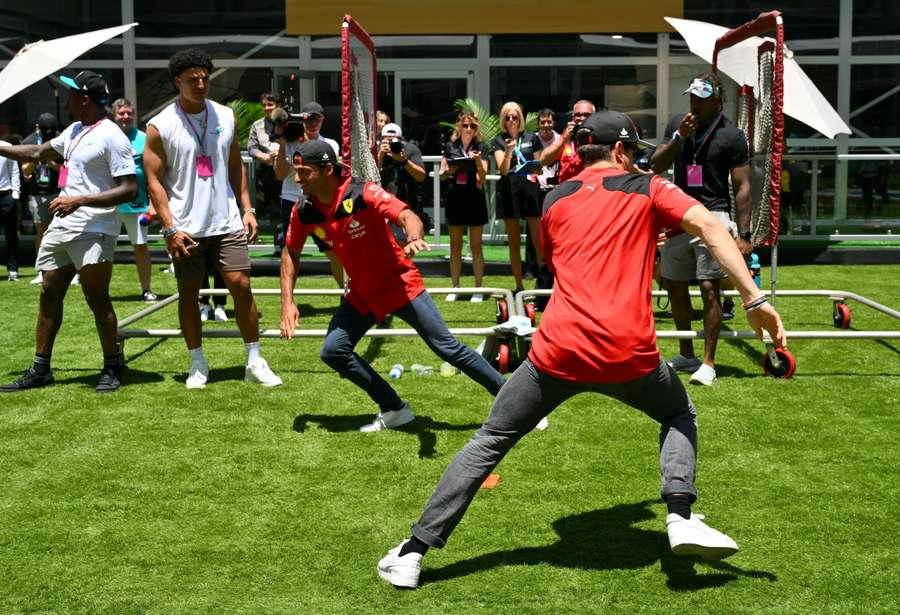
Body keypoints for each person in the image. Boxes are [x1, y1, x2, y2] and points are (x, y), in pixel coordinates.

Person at [377, 110, 788, 589]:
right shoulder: (648, 187)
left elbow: (562, 254)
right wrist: (754, 299)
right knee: (678, 415)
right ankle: (680, 515)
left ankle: (413, 552)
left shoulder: (554, 198)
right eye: (634, 152)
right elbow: (711, 228)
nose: (638, 161)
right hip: (628, 352)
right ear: (619, 151)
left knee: (489, 441)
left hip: (557, 352)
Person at [279, 140, 506, 432]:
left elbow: (406, 215)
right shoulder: (304, 210)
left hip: (400, 284)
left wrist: (413, 236)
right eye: (296, 171)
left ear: (327, 170)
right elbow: (290, 252)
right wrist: (287, 301)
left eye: (304, 172)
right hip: (362, 293)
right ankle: (394, 408)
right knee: (333, 351)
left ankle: (515, 403)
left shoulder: (363, 192)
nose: (296, 179)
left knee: (447, 348)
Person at [144, 48, 282, 390]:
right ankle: (197, 363)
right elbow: (153, 181)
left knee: (241, 285)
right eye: (193, 79)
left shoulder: (224, 116)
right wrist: (170, 227)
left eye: (205, 78)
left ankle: (254, 360)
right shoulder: (160, 125)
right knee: (189, 292)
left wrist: (247, 208)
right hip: (185, 227)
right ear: (178, 81)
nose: (201, 84)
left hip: (227, 221)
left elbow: (235, 165)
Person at [0, 70, 137, 393]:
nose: (69, 98)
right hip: (65, 224)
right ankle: (41, 368)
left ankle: (112, 366)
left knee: (96, 297)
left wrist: (81, 200)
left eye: (73, 93)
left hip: (96, 226)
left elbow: (129, 189)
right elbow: (35, 153)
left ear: (85, 99)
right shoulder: (74, 130)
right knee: (49, 291)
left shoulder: (112, 135)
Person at [650, 73, 752, 386]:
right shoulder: (679, 124)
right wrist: (679, 136)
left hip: (715, 216)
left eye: (701, 98)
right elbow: (656, 164)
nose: (694, 103)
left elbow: (742, 184)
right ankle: (687, 355)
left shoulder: (732, 135)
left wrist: (744, 235)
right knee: (674, 285)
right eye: (692, 97)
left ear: (717, 100)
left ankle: (708, 362)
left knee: (710, 288)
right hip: (679, 214)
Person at [491, 102, 545, 293]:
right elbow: (503, 170)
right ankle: (519, 285)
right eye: (508, 117)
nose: (512, 120)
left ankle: (543, 283)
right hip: (509, 188)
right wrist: (508, 151)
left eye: (515, 116)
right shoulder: (498, 141)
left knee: (537, 240)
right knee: (514, 242)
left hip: (530, 187)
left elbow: (540, 165)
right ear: (503, 120)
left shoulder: (532, 137)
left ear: (520, 118)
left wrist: (536, 168)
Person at [439, 111, 489, 302]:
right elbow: (442, 174)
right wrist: (447, 171)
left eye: (472, 126)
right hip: (455, 198)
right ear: (458, 127)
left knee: (476, 245)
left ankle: (478, 288)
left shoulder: (481, 147)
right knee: (455, 245)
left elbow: (482, 178)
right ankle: (455, 287)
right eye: (465, 125)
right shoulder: (450, 147)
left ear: (476, 129)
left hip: (475, 198)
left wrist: (477, 161)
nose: (468, 129)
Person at [111, 98, 157, 302]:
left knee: (140, 246)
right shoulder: (106, 137)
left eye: (129, 113)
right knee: (103, 247)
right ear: (114, 115)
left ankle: (146, 289)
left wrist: (153, 204)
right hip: (108, 203)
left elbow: (152, 173)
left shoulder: (144, 139)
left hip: (137, 204)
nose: (125, 117)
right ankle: (99, 291)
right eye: (121, 113)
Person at [21, 114, 61, 286]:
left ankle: (67, 270)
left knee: (62, 231)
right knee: (42, 232)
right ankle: (41, 270)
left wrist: (53, 165)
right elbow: (26, 172)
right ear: (38, 127)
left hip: (58, 192)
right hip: (37, 194)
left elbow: (69, 170)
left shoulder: (60, 139)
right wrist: (37, 158)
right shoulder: (28, 142)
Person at [377, 122, 429, 231]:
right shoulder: (376, 149)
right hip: (383, 202)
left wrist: (404, 161)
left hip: (407, 201)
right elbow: (369, 178)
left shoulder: (410, 149)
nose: (391, 144)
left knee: (409, 242)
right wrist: (380, 156)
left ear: (401, 140)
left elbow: (421, 176)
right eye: (388, 140)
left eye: (394, 141)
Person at [247, 91, 283, 241]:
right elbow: (251, 147)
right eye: (264, 105)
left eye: (270, 104)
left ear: (278, 105)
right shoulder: (257, 125)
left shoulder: (289, 122)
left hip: (287, 175)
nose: (267, 108)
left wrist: (281, 153)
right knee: (271, 211)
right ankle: (275, 242)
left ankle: (284, 242)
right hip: (266, 176)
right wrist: (263, 157)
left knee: (286, 210)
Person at [540, 99, 596, 183]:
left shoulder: (599, 137)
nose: (582, 118)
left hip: (592, 188)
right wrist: (564, 139)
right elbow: (543, 161)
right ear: (573, 117)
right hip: (568, 190)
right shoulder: (565, 138)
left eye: (586, 115)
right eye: (578, 115)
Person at [0, 137, 21, 281]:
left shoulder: (6, 146)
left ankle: (13, 268)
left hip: (5, 195)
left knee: (11, 234)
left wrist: (15, 193)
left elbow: (14, 170)